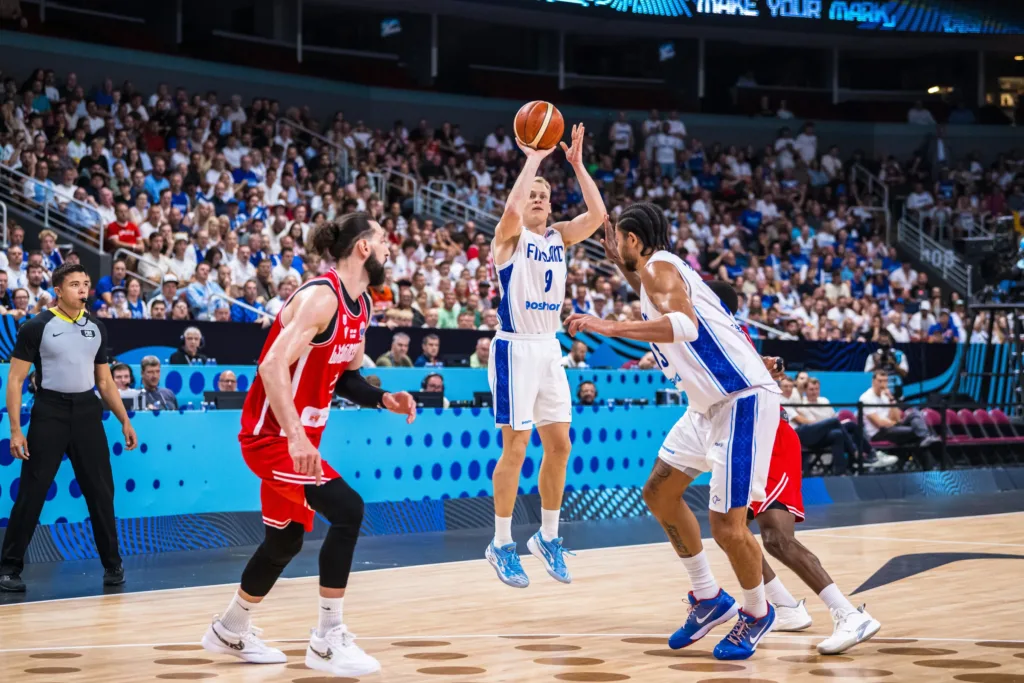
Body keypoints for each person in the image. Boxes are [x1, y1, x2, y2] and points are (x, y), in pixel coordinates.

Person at [201, 213, 417, 677]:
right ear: (362, 248)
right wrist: (296, 435)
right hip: (271, 437)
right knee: (348, 509)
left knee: (284, 540)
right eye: (382, 240)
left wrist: (384, 398)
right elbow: (272, 365)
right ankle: (326, 640)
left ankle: (229, 629)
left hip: (298, 441)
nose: (388, 249)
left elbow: (349, 377)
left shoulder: (363, 307)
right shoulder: (322, 297)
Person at [565, 204, 781, 660]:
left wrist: (608, 326)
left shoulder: (662, 267)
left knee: (727, 527)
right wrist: (617, 265)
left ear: (635, 241)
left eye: (620, 239)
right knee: (659, 492)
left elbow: (684, 325)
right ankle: (707, 598)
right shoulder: (652, 275)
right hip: (706, 406)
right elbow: (653, 295)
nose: (617, 246)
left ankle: (758, 612)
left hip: (740, 399)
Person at [706, 281, 883, 654]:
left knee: (776, 539)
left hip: (771, 439)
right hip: (742, 439)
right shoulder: (714, 333)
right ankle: (785, 607)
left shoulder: (727, 332)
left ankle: (849, 614)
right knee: (730, 533)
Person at [485, 123, 605, 588]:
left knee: (560, 445)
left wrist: (576, 166)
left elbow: (597, 215)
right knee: (515, 447)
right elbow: (511, 210)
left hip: (548, 349)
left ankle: (547, 537)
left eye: (544, 194)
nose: (536, 198)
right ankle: (500, 543)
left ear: (552, 204)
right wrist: (533, 158)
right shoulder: (509, 241)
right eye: (531, 193)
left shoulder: (558, 237)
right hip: (514, 348)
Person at [0, 263, 139, 593]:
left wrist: (124, 419)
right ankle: (9, 568)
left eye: (86, 283)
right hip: (50, 411)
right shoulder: (37, 326)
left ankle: (113, 565)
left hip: (88, 412)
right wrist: (16, 429)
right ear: (58, 290)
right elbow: (16, 379)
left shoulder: (96, 327)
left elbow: (104, 382)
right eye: (74, 284)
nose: (82, 289)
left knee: (101, 492)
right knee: (33, 491)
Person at [860, 370, 939, 450]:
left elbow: (896, 418)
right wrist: (894, 423)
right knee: (915, 432)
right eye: (880, 381)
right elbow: (879, 424)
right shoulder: (866, 398)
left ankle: (926, 437)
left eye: (885, 381)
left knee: (914, 413)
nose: (883, 384)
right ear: (873, 382)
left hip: (891, 427)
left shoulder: (885, 396)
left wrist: (891, 399)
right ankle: (926, 437)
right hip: (878, 433)